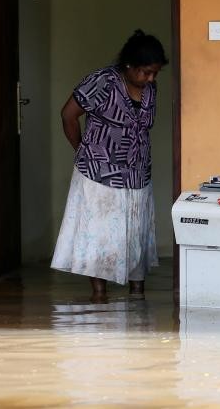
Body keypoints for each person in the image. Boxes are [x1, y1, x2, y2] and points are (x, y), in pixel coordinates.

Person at [51, 29, 167, 301]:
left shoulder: (150, 88)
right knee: (101, 234)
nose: (150, 78)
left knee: (136, 232)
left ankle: (137, 293)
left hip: (138, 175)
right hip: (99, 175)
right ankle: (99, 296)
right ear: (129, 66)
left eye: (154, 73)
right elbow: (68, 115)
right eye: (145, 72)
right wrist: (82, 149)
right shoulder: (102, 82)